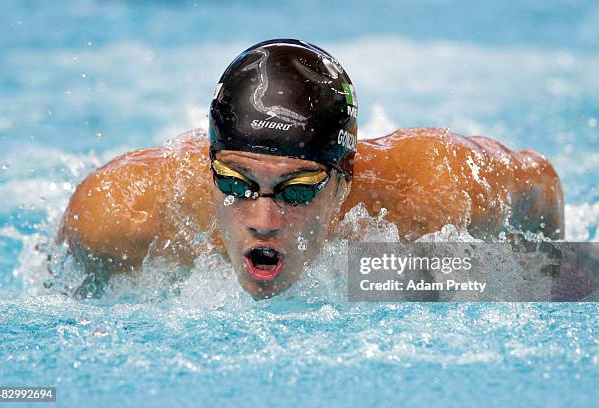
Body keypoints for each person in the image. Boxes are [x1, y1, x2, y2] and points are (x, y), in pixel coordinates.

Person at [57, 39, 564, 299]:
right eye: (236, 184)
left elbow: (539, 185)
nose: (263, 219)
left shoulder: (425, 193)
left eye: (297, 190)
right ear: (210, 168)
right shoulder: (122, 215)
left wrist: (541, 277)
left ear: (344, 179)